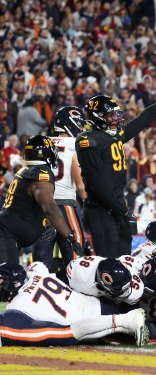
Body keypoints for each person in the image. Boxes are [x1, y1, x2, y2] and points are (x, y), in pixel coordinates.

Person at [76, 77, 156, 258]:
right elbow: (97, 184)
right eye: (110, 116)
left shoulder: (114, 135)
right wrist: (122, 209)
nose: (115, 119)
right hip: (101, 209)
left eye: (115, 114)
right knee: (109, 263)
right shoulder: (89, 140)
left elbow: (142, 120)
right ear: (97, 117)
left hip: (117, 205)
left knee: (125, 260)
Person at [0, 262, 148, 347]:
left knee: (66, 332)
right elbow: (36, 265)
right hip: (100, 305)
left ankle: (126, 320)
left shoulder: (17, 306)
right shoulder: (37, 272)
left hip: (91, 325)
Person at [0, 135, 81, 264]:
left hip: (8, 233)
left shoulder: (26, 171)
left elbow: (27, 208)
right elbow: (49, 207)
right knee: (8, 279)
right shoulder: (40, 172)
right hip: (5, 234)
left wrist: (44, 225)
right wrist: (69, 237)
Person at [32, 106, 88, 275]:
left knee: (40, 268)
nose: (82, 127)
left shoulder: (42, 142)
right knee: (76, 266)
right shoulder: (75, 144)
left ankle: (38, 298)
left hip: (41, 208)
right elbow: (80, 185)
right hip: (65, 207)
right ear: (71, 124)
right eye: (79, 123)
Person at [66, 256, 144, 306]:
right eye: (119, 292)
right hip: (72, 278)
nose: (123, 293)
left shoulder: (118, 267)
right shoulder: (83, 282)